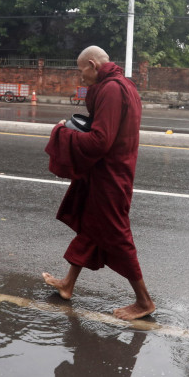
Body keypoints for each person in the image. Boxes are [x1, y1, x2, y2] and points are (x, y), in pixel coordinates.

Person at [42, 46, 155, 320]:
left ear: (92, 64)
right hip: (106, 170)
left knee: (117, 233)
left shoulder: (113, 89)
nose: (79, 77)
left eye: (81, 70)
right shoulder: (120, 84)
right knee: (91, 226)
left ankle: (144, 301)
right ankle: (68, 285)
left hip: (112, 174)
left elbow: (100, 140)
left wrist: (61, 132)